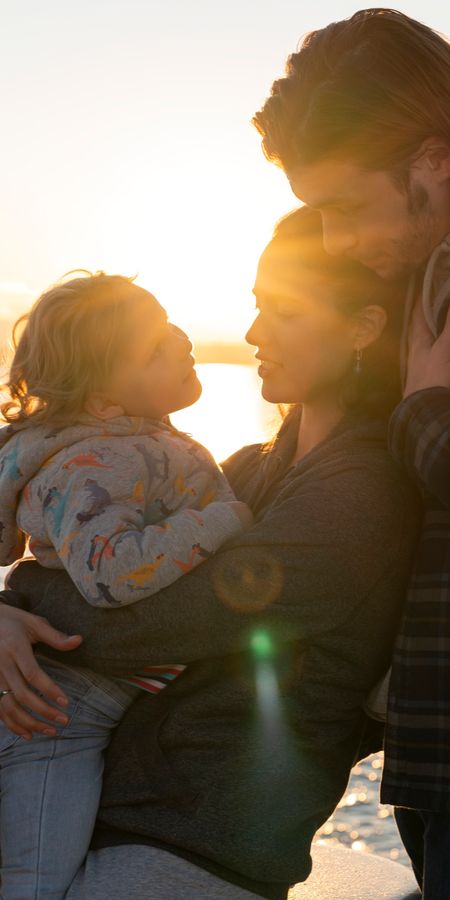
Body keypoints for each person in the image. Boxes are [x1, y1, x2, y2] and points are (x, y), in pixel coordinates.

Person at [0, 207, 419, 899]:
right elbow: (109, 563)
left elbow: (148, 615)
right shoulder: (250, 472)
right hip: (118, 805)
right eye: (256, 308)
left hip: (197, 842)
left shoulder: (362, 491)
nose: (255, 333)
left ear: (363, 327)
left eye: (283, 311)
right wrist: (9, 612)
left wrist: (25, 610)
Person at [251, 8, 450, 898]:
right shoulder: (414, 288)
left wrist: (424, 412)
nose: (333, 241)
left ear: (434, 159)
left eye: (340, 207)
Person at [0, 271, 252, 899]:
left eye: (169, 324)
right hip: (54, 717)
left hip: (78, 701)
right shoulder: (101, 462)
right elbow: (111, 575)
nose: (182, 341)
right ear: (105, 401)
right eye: (155, 348)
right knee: (35, 881)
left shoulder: (128, 442)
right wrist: (223, 520)